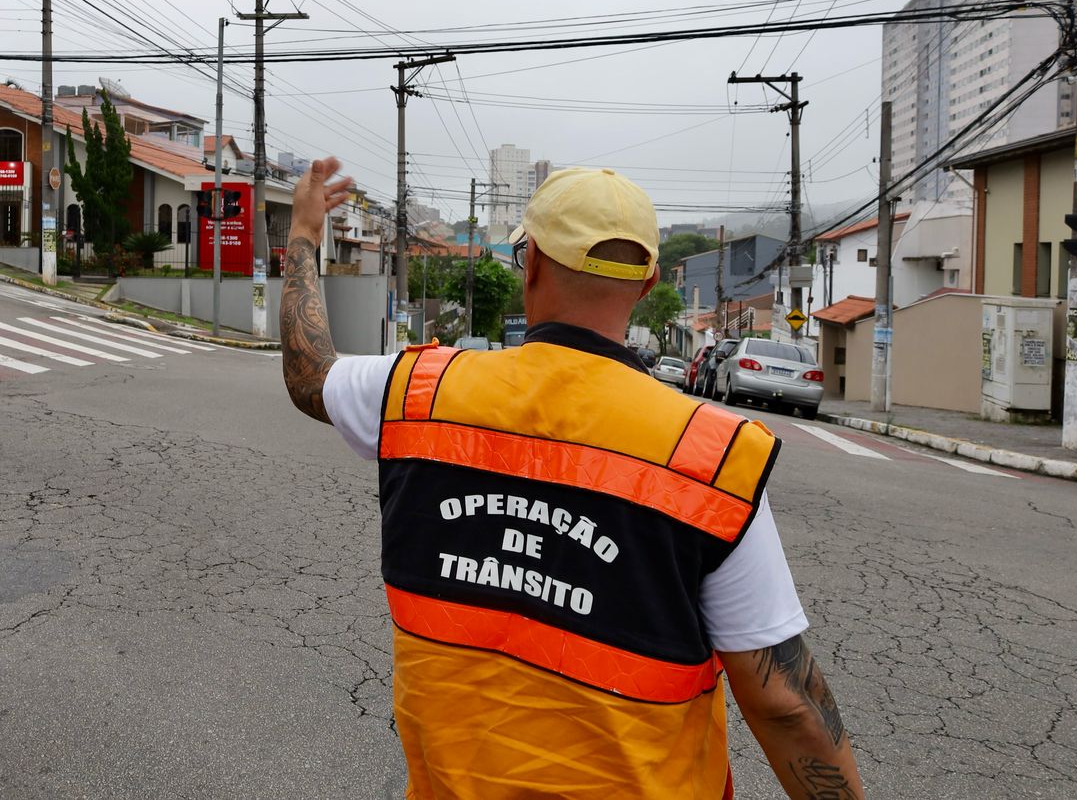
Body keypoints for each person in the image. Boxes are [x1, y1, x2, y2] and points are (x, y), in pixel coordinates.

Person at [280, 158, 864, 800]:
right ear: (646, 286)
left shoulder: (418, 390)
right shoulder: (710, 456)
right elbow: (787, 704)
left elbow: (310, 373)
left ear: (528, 264)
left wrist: (305, 234)